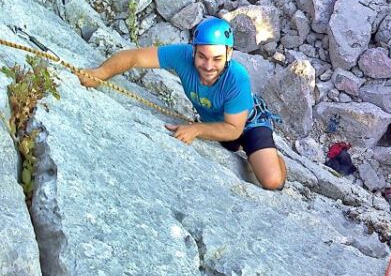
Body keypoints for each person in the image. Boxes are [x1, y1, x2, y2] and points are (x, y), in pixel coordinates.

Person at [80, 17, 286, 190]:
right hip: (216, 121)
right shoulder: (183, 56)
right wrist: (102, 73)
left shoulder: (237, 78)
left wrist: (196, 130)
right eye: (202, 57)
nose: (208, 66)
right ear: (194, 50)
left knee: (272, 181)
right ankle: (257, 155)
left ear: (229, 54)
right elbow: (135, 57)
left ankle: (272, 156)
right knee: (231, 146)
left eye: (216, 59)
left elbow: (233, 129)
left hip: (249, 124)